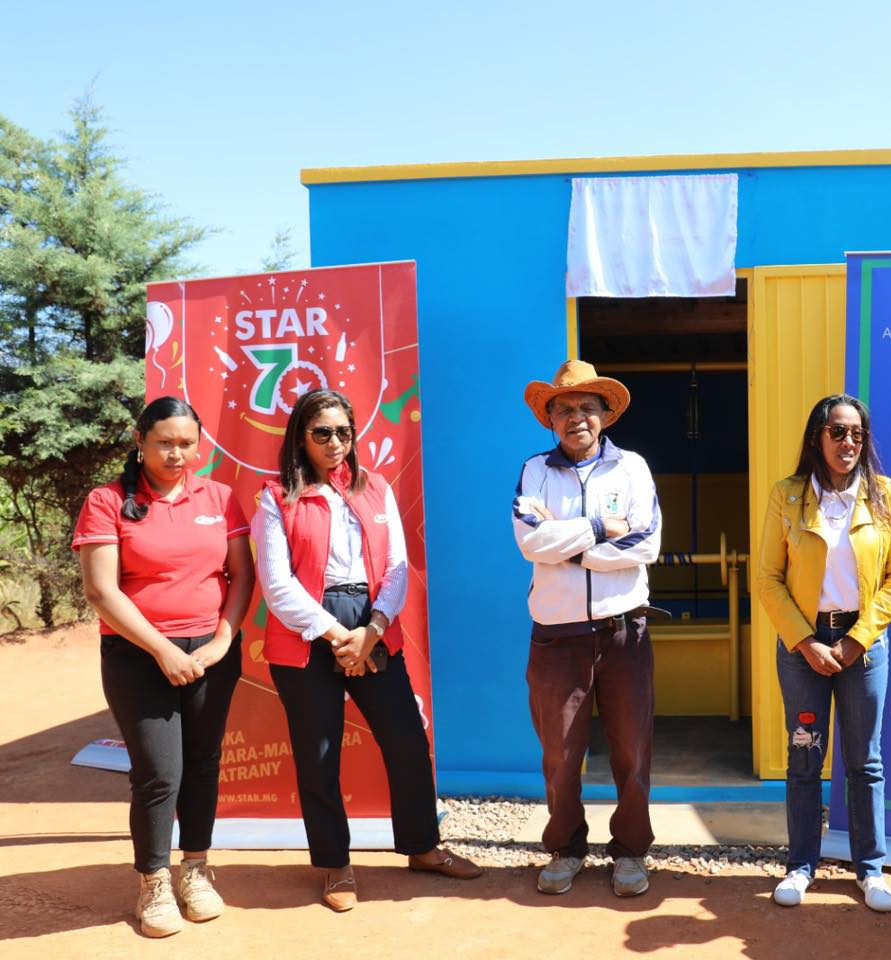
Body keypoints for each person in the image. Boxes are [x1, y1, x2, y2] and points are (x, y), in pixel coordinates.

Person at [255, 389, 478, 912]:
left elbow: (399, 567)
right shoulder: (277, 496)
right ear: (300, 438)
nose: (335, 443)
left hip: (374, 623)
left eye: (343, 432)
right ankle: (335, 865)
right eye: (322, 433)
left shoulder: (376, 488)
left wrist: (371, 631)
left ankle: (422, 847)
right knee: (319, 755)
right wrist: (338, 636)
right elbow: (277, 584)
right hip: (309, 633)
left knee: (405, 741)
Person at [73, 396, 253, 938]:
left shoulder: (219, 496)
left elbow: (241, 577)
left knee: (202, 762)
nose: (177, 454)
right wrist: (161, 649)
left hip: (209, 653)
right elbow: (101, 591)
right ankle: (153, 879)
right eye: (164, 442)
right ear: (140, 440)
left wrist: (223, 638)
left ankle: (194, 868)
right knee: (159, 773)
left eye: (187, 443)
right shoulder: (107, 501)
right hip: (138, 654)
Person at [755, 394, 891, 913]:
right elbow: (768, 578)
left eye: (858, 434)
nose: (849, 443)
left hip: (862, 647)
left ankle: (871, 871)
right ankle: (801, 866)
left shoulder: (884, 494)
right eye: (839, 432)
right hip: (803, 646)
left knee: (865, 763)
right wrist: (805, 641)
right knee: (804, 759)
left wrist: (854, 641)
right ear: (817, 437)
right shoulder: (788, 495)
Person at [512, 360, 662, 897]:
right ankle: (565, 848)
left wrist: (568, 545)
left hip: (625, 632)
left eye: (586, 407)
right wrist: (600, 530)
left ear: (605, 415)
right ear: (550, 418)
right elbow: (531, 544)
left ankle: (630, 852)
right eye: (564, 408)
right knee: (560, 750)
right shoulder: (535, 471)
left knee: (632, 748)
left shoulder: (634, 469)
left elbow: (646, 545)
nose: (576, 417)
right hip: (557, 635)